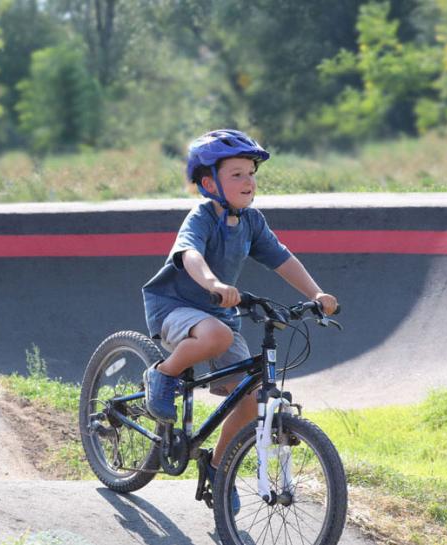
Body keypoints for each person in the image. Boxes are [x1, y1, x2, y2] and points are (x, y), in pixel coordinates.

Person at [141, 129, 338, 512]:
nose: (248, 181)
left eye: (251, 173)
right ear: (208, 182)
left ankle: (219, 468)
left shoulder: (251, 221)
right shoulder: (201, 217)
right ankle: (163, 374)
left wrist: (315, 294)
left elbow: (282, 259)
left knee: (250, 399)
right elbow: (190, 256)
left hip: (217, 313)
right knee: (214, 333)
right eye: (237, 174)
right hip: (175, 306)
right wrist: (214, 282)